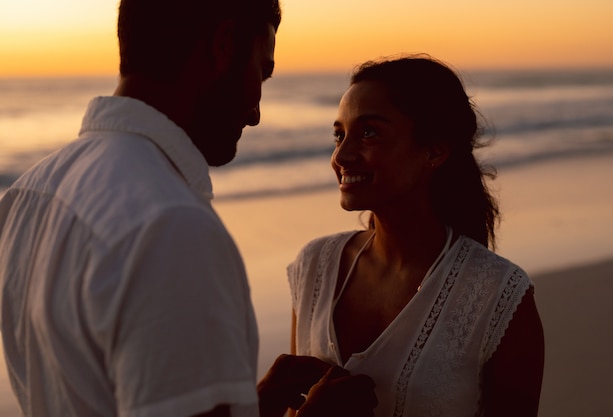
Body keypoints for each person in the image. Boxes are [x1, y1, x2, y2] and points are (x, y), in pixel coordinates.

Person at [0, 1, 377, 416]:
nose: (254, 114)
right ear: (222, 45)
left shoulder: (27, 196)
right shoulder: (171, 226)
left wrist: (252, 406)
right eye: (260, 73)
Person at [287, 55, 545, 417]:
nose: (341, 155)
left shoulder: (498, 296)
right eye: (339, 134)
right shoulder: (314, 267)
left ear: (435, 150)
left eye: (369, 132)